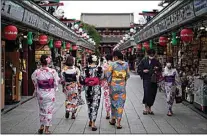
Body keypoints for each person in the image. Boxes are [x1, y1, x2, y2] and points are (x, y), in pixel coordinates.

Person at [31, 55, 60, 134]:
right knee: (49, 111)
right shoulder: (53, 71)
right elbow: (56, 82)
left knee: (42, 109)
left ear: (41, 61)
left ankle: (41, 126)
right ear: (48, 61)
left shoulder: (37, 72)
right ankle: (46, 129)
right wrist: (54, 88)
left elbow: (34, 80)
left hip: (41, 93)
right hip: (50, 93)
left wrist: (37, 88)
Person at [106, 51, 130, 129]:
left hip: (113, 86)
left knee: (113, 102)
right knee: (120, 103)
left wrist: (109, 82)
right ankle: (118, 122)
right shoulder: (126, 64)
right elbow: (128, 75)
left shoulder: (112, 64)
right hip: (122, 86)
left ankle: (113, 119)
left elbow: (107, 74)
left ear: (115, 57)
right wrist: (124, 81)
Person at [137, 49, 162, 115]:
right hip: (146, 79)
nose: (152, 55)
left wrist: (157, 69)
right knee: (146, 93)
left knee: (153, 93)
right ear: (148, 54)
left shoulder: (156, 61)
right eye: (150, 54)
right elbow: (139, 69)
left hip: (153, 79)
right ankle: (146, 108)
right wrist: (143, 71)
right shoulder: (144, 60)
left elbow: (160, 68)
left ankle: (150, 108)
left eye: (153, 54)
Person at [83, 54, 103, 131]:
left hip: (88, 88)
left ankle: (91, 120)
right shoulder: (99, 69)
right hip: (96, 88)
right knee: (95, 105)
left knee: (89, 104)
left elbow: (82, 78)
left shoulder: (85, 69)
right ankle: (93, 122)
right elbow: (101, 77)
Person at [101, 54, 113, 119]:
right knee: (114, 98)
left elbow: (102, 76)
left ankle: (108, 113)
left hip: (106, 83)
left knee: (107, 98)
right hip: (114, 83)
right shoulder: (115, 65)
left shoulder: (105, 65)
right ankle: (114, 113)